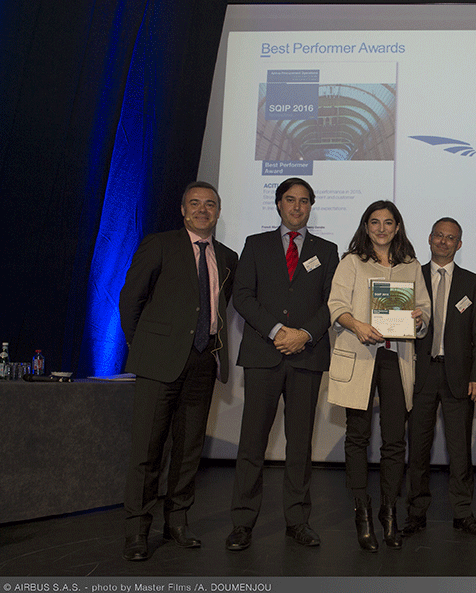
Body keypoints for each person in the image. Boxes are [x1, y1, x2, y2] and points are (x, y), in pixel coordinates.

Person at [119, 181, 238, 561]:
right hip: (159, 362)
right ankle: (137, 530)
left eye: (210, 204)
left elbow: (220, 308)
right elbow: (131, 298)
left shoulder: (228, 256)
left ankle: (178, 522)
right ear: (183, 210)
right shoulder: (160, 244)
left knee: (189, 450)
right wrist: (143, 345)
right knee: (147, 449)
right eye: (195, 203)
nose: (203, 210)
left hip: (204, 361)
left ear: (218, 211)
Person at [225, 178, 338, 551]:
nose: (297, 207)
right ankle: (242, 523)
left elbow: (333, 303)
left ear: (311, 207)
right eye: (290, 200)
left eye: (304, 201)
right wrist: (276, 331)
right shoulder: (255, 245)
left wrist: (304, 334)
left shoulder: (327, 250)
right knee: (252, 443)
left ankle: (298, 521)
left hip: (307, 356)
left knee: (300, 445)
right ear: (278, 204)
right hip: (263, 354)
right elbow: (242, 295)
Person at [327, 200, 431, 552]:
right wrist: (356, 324)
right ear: (366, 226)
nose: (382, 228)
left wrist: (419, 317)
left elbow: (425, 309)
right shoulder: (351, 262)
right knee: (357, 437)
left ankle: (389, 513)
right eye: (375, 222)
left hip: (394, 358)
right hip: (360, 354)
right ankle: (362, 513)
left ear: (397, 227)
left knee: (394, 441)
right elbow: (336, 305)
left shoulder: (411, 265)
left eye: (388, 222)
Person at [402, 218, 476, 538]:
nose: (443, 241)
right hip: (420, 375)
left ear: (459, 244)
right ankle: (416, 512)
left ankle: (462, 513)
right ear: (429, 239)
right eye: (439, 235)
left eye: (450, 237)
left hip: (459, 377)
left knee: (460, 451)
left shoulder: (473, 282)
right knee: (418, 449)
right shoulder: (411, 277)